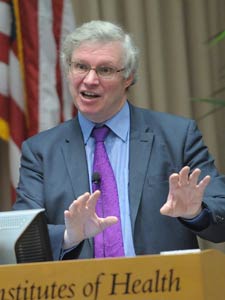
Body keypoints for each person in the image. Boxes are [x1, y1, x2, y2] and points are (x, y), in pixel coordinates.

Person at [13, 20, 225, 260]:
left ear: (128, 77)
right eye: (81, 66)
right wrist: (68, 236)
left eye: (105, 70)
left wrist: (195, 213)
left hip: (163, 287)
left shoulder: (177, 136)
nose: (90, 80)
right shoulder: (40, 151)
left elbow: (221, 215)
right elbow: (22, 235)